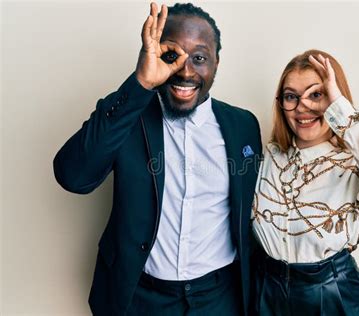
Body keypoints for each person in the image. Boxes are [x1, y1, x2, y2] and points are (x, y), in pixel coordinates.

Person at [53, 2, 262, 315]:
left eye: (200, 58)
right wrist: (140, 83)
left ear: (216, 62)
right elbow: (73, 176)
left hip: (219, 297)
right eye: (171, 55)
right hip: (141, 297)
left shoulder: (243, 126)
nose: (186, 70)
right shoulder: (128, 117)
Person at [251, 49, 359, 315]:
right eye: (291, 96)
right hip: (266, 293)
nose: (303, 107)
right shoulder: (268, 156)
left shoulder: (357, 164)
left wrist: (340, 110)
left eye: (316, 95)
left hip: (330, 294)